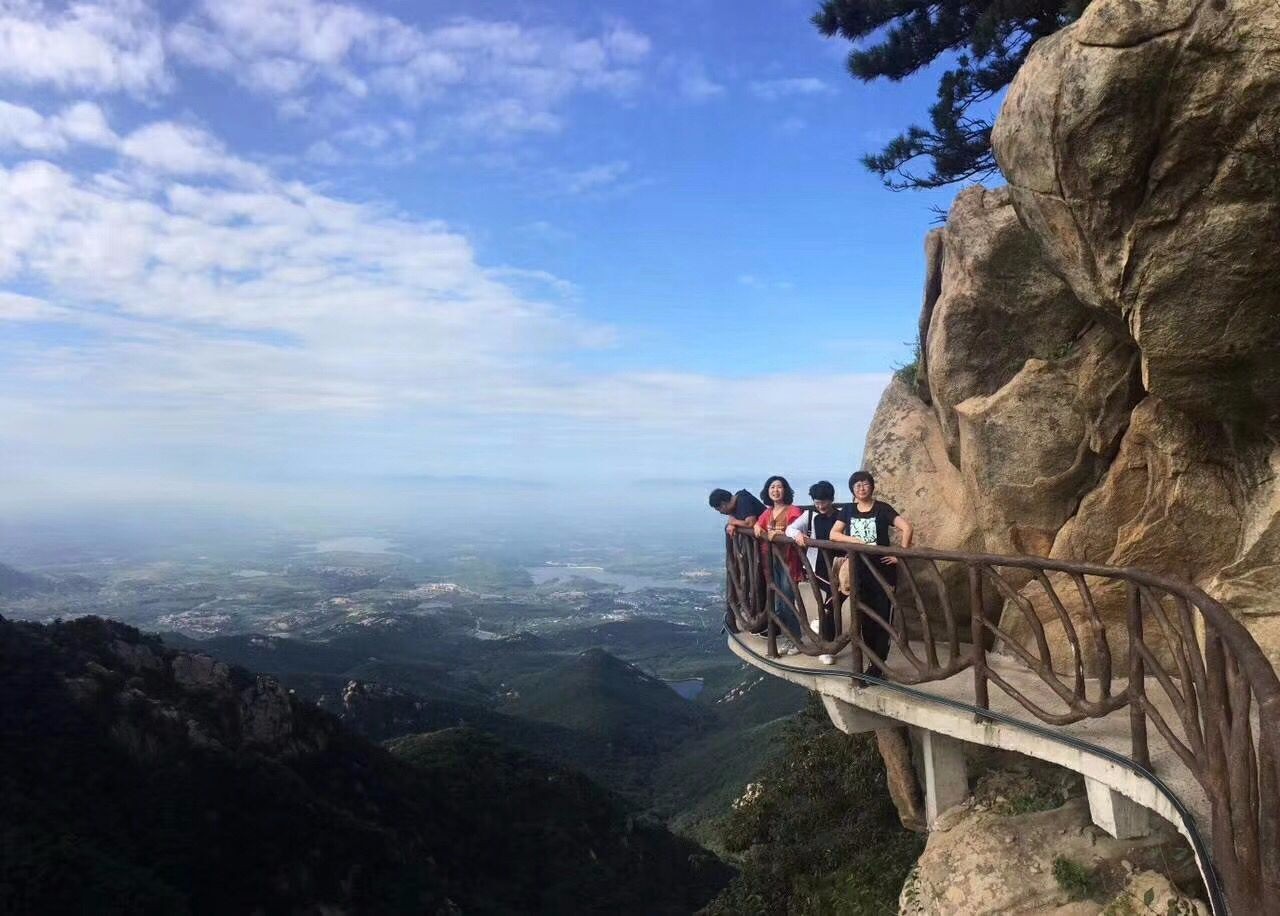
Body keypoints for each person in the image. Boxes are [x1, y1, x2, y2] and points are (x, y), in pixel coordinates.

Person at [830, 471, 913, 678]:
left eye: (865, 484)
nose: (861, 488)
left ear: (872, 486)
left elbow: (906, 528)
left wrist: (900, 555)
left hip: (883, 570)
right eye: (857, 485)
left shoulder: (882, 508)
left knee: (882, 616)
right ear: (852, 490)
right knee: (863, 615)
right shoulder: (848, 510)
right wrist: (854, 541)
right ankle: (872, 661)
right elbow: (834, 534)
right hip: (859, 570)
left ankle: (878, 665)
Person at [786, 481, 849, 665]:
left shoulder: (841, 516)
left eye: (824, 502)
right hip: (817, 566)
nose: (820, 506)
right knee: (835, 594)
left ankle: (824, 637)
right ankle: (827, 646)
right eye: (817, 502)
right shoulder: (811, 515)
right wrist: (797, 535)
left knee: (838, 594)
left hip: (839, 565)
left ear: (832, 499)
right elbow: (791, 528)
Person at [752, 475, 805, 652]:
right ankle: (790, 638)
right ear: (767, 491)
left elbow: (797, 531)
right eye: (772, 487)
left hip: (789, 561)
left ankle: (796, 640)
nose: (775, 490)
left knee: (787, 600)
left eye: (779, 487)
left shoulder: (793, 511)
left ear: (785, 490)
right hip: (772, 561)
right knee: (778, 602)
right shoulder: (767, 513)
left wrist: (780, 535)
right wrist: (757, 527)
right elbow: (758, 525)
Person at [710, 486, 768, 633]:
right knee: (757, 583)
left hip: (767, 548)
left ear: (723, 504)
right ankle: (759, 620)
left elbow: (750, 522)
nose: (721, 513)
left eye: (719, 509)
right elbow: (733, 518)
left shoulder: (744, 500)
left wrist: (734, 522)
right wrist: (732, 521)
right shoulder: (739, 499)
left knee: (763, 584)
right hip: (757, 550)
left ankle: (764, 622)